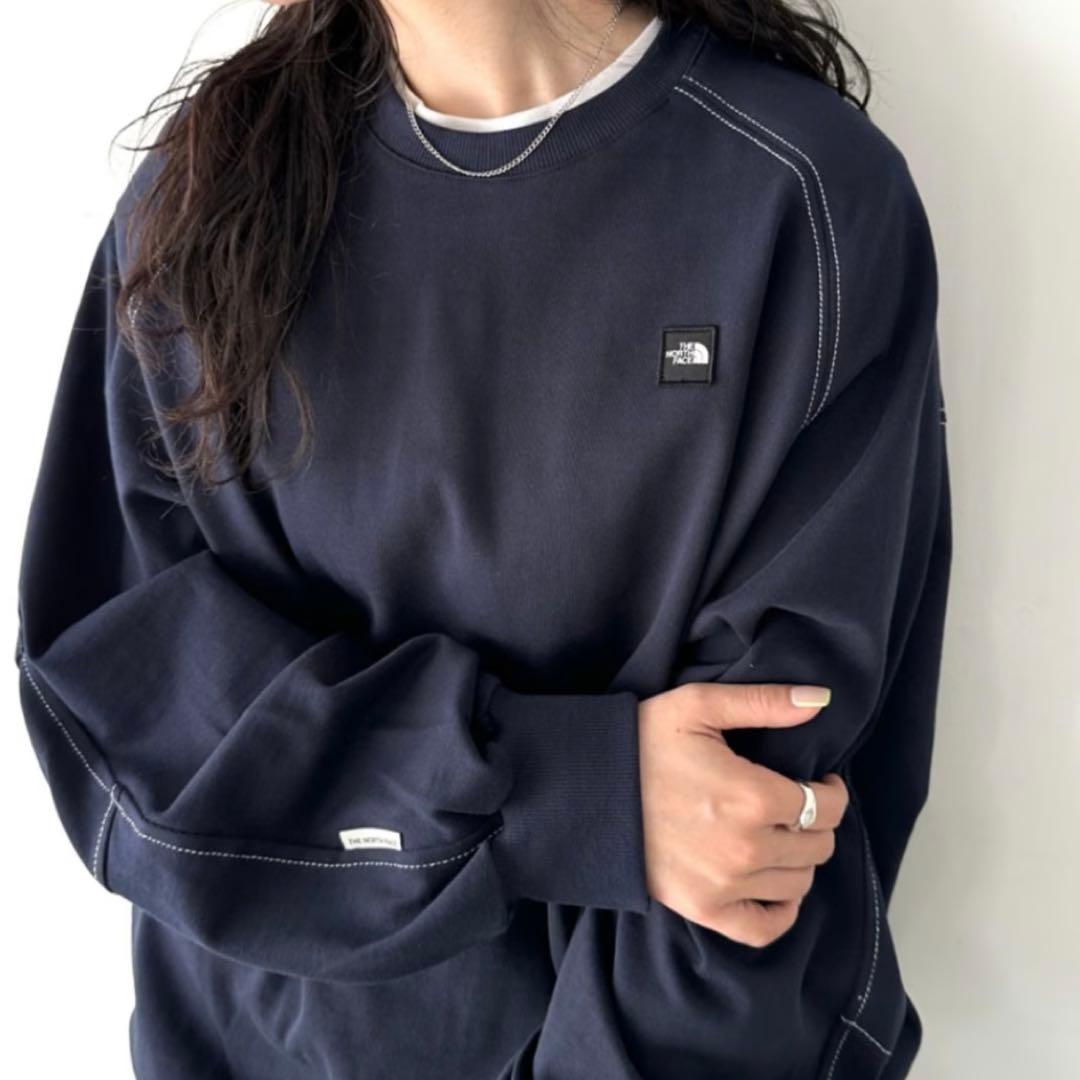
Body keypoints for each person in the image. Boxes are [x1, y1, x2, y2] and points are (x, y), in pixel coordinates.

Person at [13, 1, 952, 1077]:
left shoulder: (800, 196)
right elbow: (132, 709)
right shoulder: (206, 192)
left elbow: (756, 822)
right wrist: (566, 794)